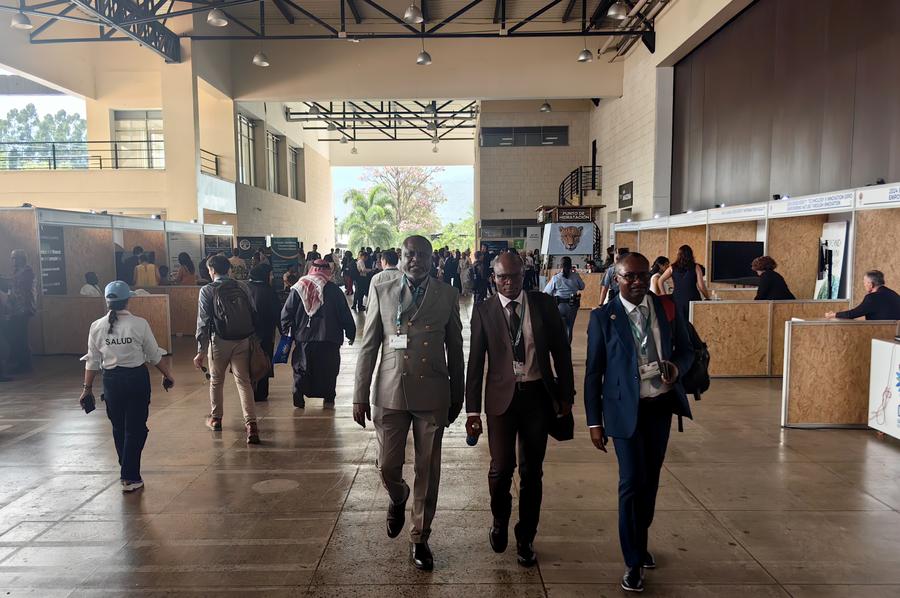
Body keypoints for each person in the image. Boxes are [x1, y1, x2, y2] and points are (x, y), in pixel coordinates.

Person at [584, 252, 695, 593]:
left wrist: (677, 367)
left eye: (641, 276)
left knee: (650, 481)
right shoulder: (604, 317)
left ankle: (640, 538)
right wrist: (593, 422)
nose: (635, 282)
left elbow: (688, 350)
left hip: (659, 407)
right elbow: (593, 373)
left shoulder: (666, 308)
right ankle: (632, 560)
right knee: (631, 482)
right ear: (615, 278)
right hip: (622, 411)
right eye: (628, 276)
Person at [353, 235, 465, 572]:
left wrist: (457, 395)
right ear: (400, 257)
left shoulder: (447, 294)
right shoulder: (382, 290)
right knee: (388, 466)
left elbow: (456, 350)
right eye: (409, 254)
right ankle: (398, 496)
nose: (415, 259)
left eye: (422, 255)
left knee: (427, 469)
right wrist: (359, 394)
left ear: (433, 260)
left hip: (431, 391)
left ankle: (420, 537)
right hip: (390, 390)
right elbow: (369, 345)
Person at [465, 252, 574, 567]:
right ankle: (499, 520)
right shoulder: (484, 311)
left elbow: (561, 353)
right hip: (501, 401)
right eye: (502, 277)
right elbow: (475, 363)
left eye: (514, 276)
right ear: (493, 279)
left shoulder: (543, 305)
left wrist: (566, 395)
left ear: (524, 275)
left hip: (537, 397)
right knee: (500, 470)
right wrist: (472, 411)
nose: (508, 282)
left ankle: (526, 536)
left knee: (532, 472)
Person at [80, 281, 174, 493]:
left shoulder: (96, 326)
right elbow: (153, 355)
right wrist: (167, 374)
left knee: (119, 427)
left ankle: (126, 468)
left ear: (107, 301)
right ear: (127, 300)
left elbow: (92, 361)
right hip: (136, 380)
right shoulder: (139, 324)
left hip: (111, 382)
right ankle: (130, 475)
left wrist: (86, 388)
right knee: (137, 428)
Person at [194, 254, 261, 444]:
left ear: (212, 270)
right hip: (243, 340)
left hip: (219, 341)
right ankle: (251, 425)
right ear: (229, 269)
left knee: (216, 381)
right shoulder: (242, 286)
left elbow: (203, 322)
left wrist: (200, 350)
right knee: (244, 382)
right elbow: (253, 312)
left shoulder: (207, 290)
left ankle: (216, 419)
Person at [282, 260, 356, 409]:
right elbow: (344, 314)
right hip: (329, 338)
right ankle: (328, 397)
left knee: (301, 368)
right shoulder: (334, 290)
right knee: (329, 369)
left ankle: (298, 395)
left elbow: (286, 312)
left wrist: (287, 331)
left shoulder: (298, 288)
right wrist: (350, 332)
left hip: (303, 338)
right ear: (328, 271)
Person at [247, 264, 280, 402]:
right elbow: (277, 313)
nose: (272, 277)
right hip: (265, 334)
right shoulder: (269, 291)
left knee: (247, 362)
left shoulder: (245, 289)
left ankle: (248, 391)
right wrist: (285, 331)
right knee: (263, 361)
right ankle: (261, 392)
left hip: (246, 334)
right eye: (270, 274)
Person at [657, 245, 710, 321]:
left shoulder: (672, 267)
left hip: (677, 299)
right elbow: (701, 286)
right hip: (693, 298)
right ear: (691, 255)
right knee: (693, 323)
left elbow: (660, 280)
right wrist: (707, 297)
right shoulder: (696, 267)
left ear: (678, 255)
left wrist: (664, 294)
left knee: (679, 323)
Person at [826, 270, 900, 320]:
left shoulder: (872, 298)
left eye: (865, 282)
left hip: (879, 336)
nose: (864, 285)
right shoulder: (894, 294)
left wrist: (834, 315)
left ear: (871, 284)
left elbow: (853, 314)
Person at [543, 257, 585, 343]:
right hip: (572, 305)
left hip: (559, 305)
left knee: (558, 327)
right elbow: (582, 287)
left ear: (560, 265)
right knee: (570, 327)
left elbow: (546, 292)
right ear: (571, 266)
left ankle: (559, 346)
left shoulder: (556, 278)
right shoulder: (575, 276)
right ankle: (567, 347)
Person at [6, 250, 35, 374]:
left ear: (21, 259)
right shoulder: (18, 271)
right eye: (12, 258)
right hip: (17, 309)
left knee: (21, 337)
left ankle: (24, 364)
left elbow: (21, 289)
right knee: (17, 336)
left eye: (14, 258)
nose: (12, 261)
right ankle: (20, 362)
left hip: (23, 309)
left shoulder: (26, 272)